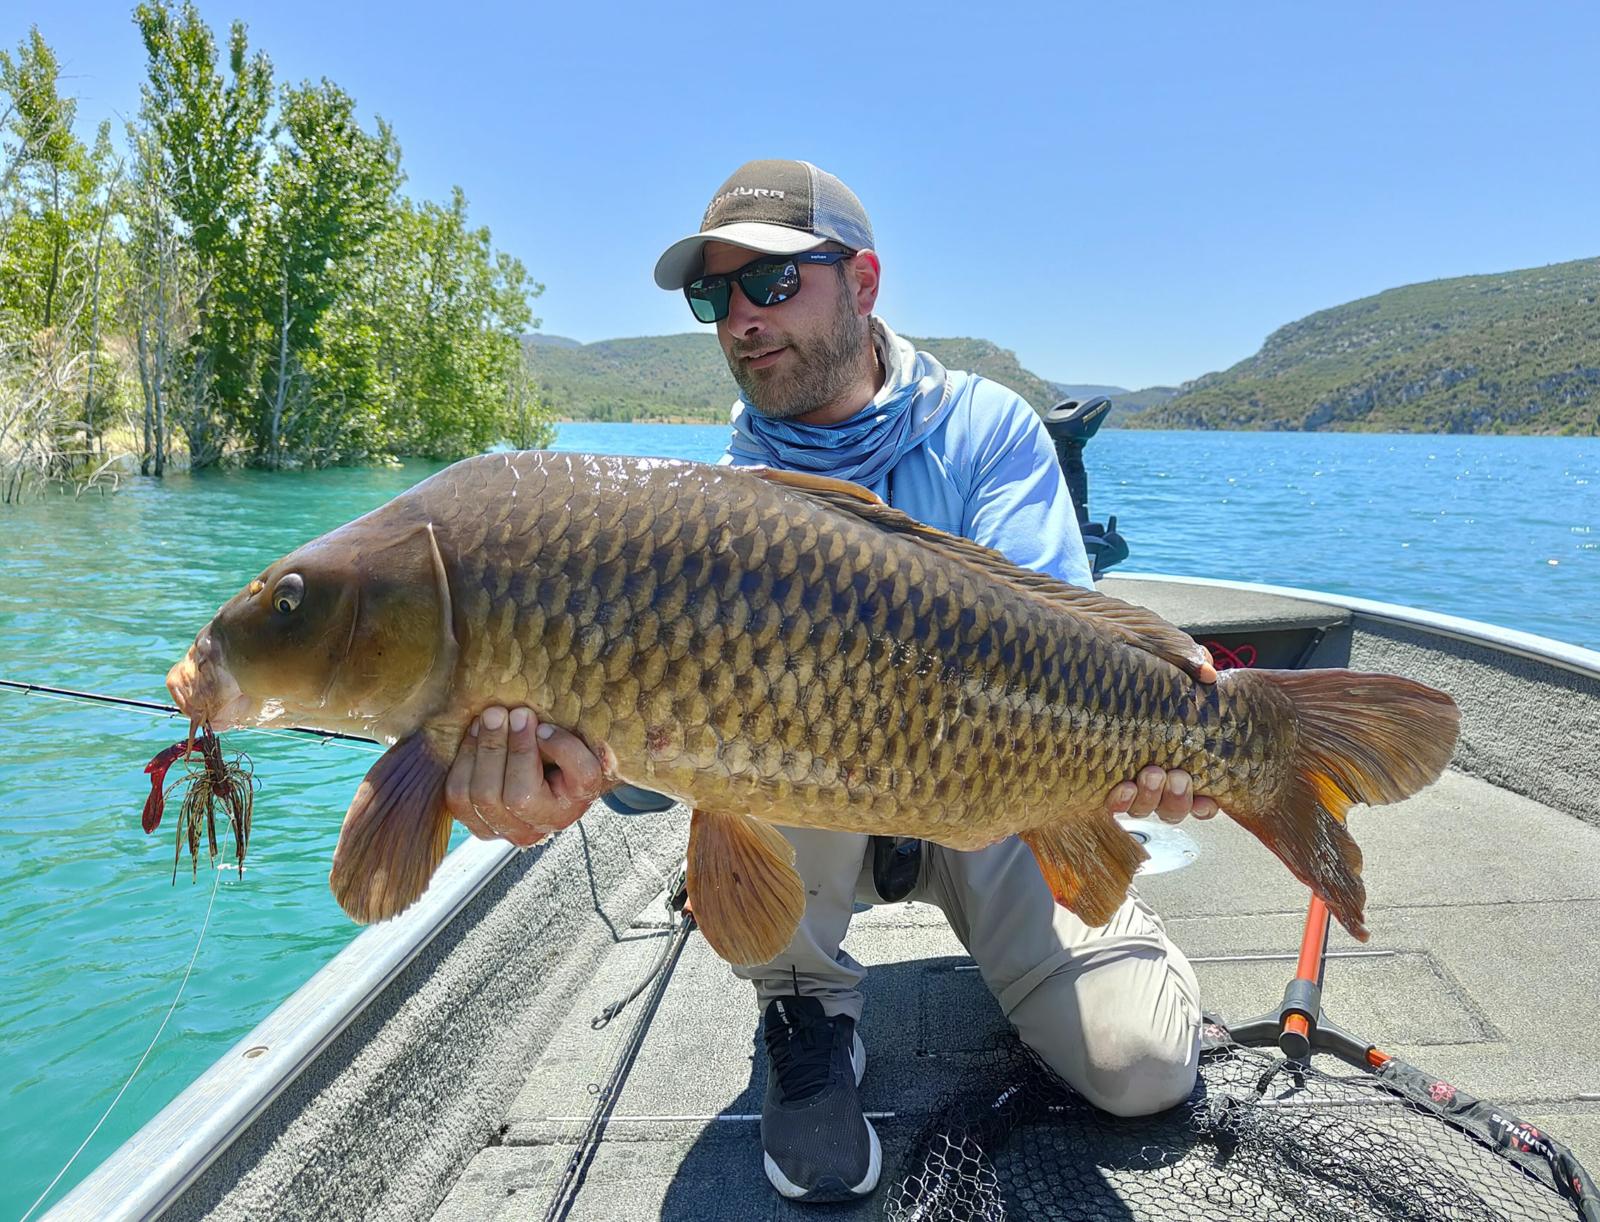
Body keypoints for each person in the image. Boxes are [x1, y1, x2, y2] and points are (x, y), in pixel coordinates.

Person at [443, 160, 1219, 1204]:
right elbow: (641, 771)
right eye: (714, 296)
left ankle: (1080, 961)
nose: (739, 321)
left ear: (862, 281)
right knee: (761, 737)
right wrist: (568, 778)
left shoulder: (988, 429)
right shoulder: (711, 505)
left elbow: (1061, 640)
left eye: (770, 283)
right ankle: (806, 1003)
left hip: (1004, 787)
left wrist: (1158, 736)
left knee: (1144, 1072)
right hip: (824, 820)